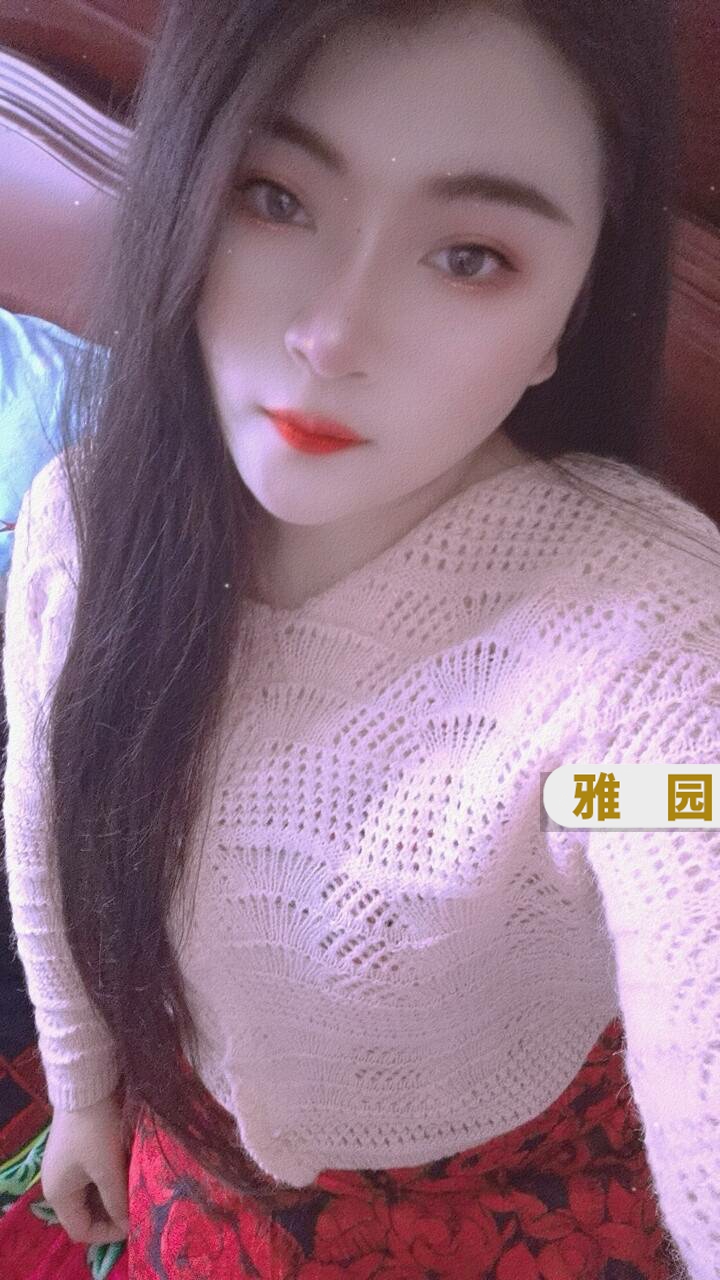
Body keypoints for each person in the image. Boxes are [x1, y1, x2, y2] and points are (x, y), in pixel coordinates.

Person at [1, 0, 719, 1276]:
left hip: (517, 1185)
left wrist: (614, 793)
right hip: (197, 1142)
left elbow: (671, 799)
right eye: (274, 196)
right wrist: (81, 1085)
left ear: (569, 313)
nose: (330, 336)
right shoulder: (84, 524)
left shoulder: (633, 649)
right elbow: (49, 820)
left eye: (470, 256)